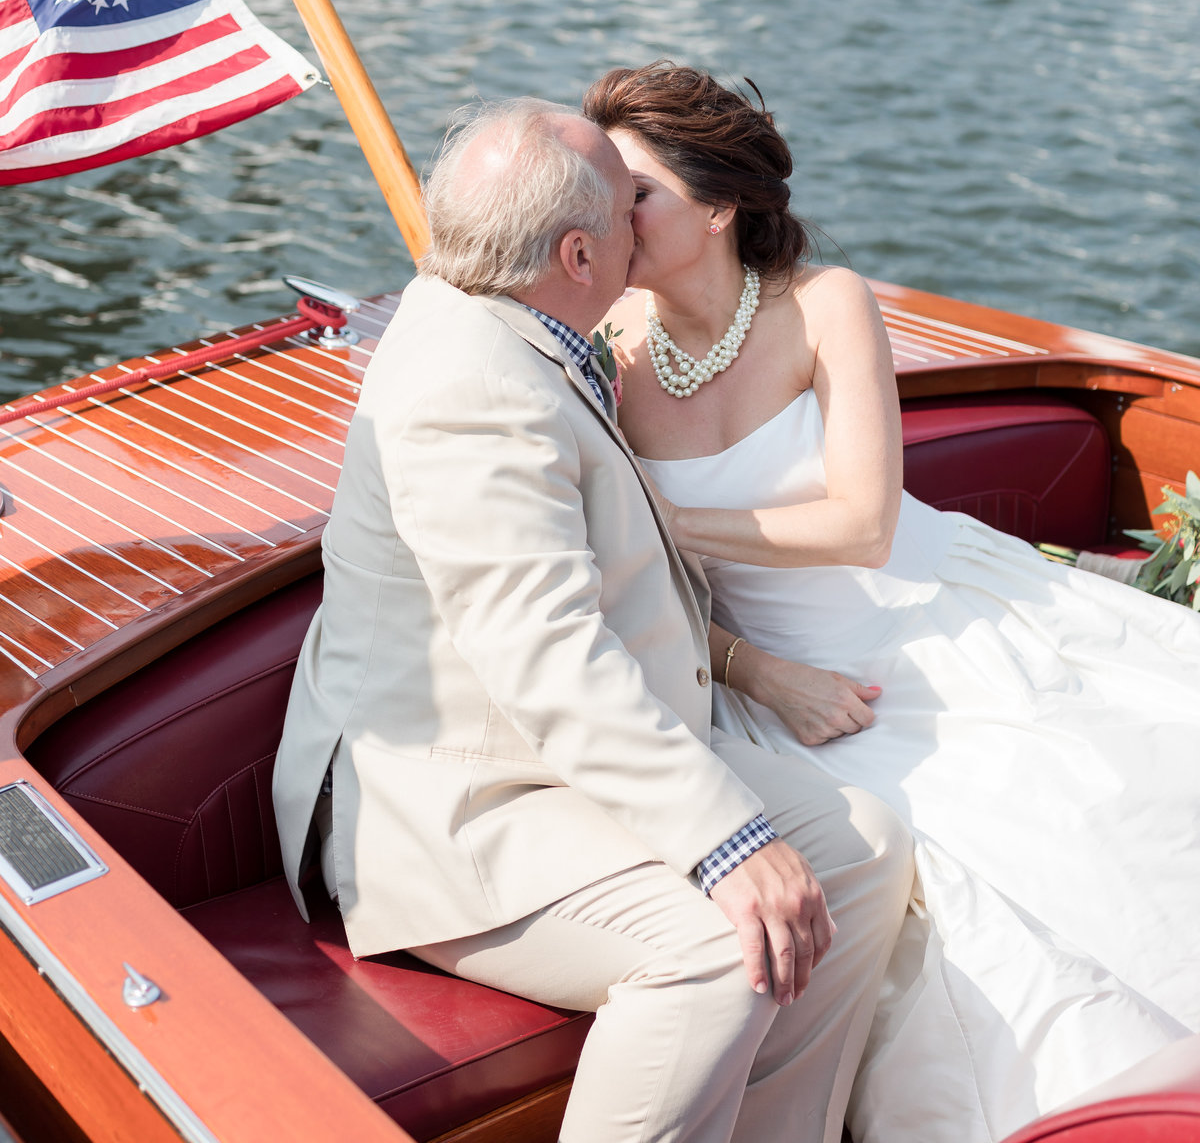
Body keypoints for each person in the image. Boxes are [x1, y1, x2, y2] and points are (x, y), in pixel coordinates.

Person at [582, 59, 1200, 1143]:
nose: (608, 214)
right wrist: (749, 666)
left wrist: (660, 524)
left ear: (720, 205)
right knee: (935, 881)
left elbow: (863, 523)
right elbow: (626, 587)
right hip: (764, 671)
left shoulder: (825, 304)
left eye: (636, 191)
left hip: (915, 607)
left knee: (1086, 799)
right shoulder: (611, 353)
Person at [272, 99, 914, 1143]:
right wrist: (725, 839)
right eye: (627, 211)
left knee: (865, 850)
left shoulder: (529, 321)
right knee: (718, 945)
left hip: (542, 757)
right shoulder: (471, 389)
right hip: (447, 808)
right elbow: (547, 655)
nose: (640, 229)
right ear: (578, 252)